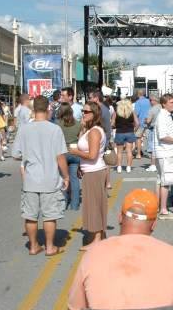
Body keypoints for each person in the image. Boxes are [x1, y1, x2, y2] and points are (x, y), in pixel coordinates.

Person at [12, 96, 70, 256]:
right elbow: (60, 157)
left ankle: (33, 246)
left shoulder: (24, 129)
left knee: (30, 216)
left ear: (33, 110)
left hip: (30, 179)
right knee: (49, 215)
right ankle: (50, 246)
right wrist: (66, 176)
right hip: (49, 179)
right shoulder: (54, 129)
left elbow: (16, 154)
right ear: (48, 109)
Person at [69, 101, 108, 249]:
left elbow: (92, 155)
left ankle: (97, 239)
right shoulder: (89, 130)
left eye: (86, 112)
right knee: (95, 204)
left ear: (95, 114)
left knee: (94, 206)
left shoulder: (94, 132)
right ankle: (100, 236)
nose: (83, 114)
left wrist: (75, 152)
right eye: (83, 111)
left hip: (94, 172)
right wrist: (80, 165)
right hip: (90, 171)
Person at [153, 93, 173, 220]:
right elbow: (163, 136)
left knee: (161, 180)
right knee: (166, 182)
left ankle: (158, 207)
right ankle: (164, 210)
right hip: (166, 153)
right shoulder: (163, 116)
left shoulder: (165, 115)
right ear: (164, 104)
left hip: (165, 152)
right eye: (171, 102)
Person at [58, 104, 82, 211]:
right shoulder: (78, 124)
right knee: (74, 179)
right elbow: (80, 140)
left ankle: (63, 203)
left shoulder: (58, 125)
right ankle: (75, 204)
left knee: (63, 178)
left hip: (62, 153)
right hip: (75, 152)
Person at [111, 98, 138, 173]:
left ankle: (119, 167)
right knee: (129, 151)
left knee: (119, 152)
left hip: (119, 132)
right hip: (130, 132)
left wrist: (114, 126)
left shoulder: (116, 112)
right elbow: (137, 123)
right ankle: (128, 167)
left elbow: (112, 123)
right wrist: (134, 130)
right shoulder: (132, 112)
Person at [144, 94, 161, 172]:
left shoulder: (152, 109)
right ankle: (159, 164)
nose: (150, 102)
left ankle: (153, 164)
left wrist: (145, 120)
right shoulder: (162, 107)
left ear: (154, 100)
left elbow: (148, 121)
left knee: (152, 148)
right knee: (160, 147)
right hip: (161, 129)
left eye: (150, 100)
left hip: (152, 129)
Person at [133, 89, 151, 159]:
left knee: (138, 138)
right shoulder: (148, 101)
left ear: (138, 94)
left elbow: (136, 113)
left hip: (140, 122)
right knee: (149, 138)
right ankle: (151, 154)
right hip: (148, 121)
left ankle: (138, 154)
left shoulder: (138, 102)